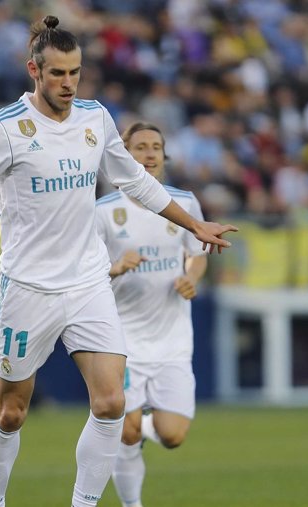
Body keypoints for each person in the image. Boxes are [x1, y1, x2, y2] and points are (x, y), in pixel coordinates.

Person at [0, 16, 236, 507]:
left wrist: (194, 224)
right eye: (57, 74)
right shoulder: (3, 130)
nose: (68, 83)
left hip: (89, 282)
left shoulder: (95, 119)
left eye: (75, 73)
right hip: (28, 289)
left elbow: (134, 180)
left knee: (112, 402)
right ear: (34, 70)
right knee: (11, 412)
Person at [95, 122, 207, 507]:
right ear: (123, 154)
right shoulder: (104, 211)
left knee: (173, 435)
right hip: (123, 342)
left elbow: (198, 253)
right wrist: (114, 267)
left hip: (173, 342)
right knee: (124, 432)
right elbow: (83, 270)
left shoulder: (185, 203)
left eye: (156, 146)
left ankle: (135, 428)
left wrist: (191, 277)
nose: (149, 153)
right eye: (140, 146)